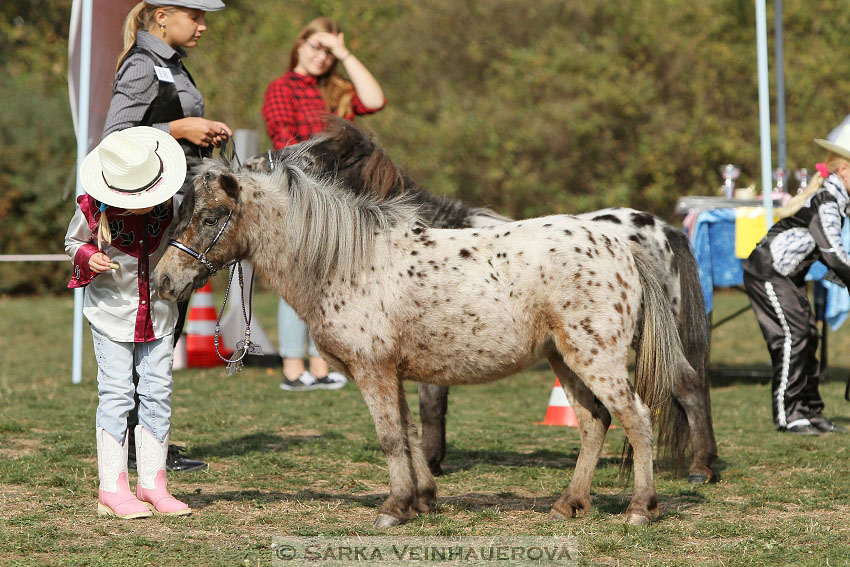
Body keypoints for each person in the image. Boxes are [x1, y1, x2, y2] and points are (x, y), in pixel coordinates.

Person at [102, 0, 233, 470]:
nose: (202, 26)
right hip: (153, 216)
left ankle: (146, 438)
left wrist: (200, 134)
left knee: (165, 324)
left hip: (175, 207)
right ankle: (137, 443)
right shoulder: (142, 66)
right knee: (154, 324)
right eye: (195, 17)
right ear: (162, 16)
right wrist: (179, 127)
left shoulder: (170, 65)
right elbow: (114, 137)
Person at [66, 127, 192, 518]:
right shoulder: (91, 207)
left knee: (158, 392)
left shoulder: (170, 206)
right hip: (112, 312)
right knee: (117, 393)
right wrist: (89, 256)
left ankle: (153, 481)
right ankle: (112, 486)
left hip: (158, 312)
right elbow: (72, 243)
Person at [261, 17, 385, 391]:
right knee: (298, 281)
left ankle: (321, 366)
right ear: (299, 46)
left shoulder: (337, 90)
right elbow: (284, 141)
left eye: (329, 51)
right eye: (316, 46)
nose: (322, 56)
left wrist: (345, 52)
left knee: (329, 281)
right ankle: (293, 368)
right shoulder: (282, 88)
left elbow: (375, 100)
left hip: (344, 199)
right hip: (299, 194)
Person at [743, 125, 850, 435]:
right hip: (768, 271)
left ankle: (812, 413)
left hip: (788, 275)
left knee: (809, 336)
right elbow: (834, 253)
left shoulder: (837, 199)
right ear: (843, 169)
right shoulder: (827, 201)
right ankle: (789, 415)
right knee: (794, 337)